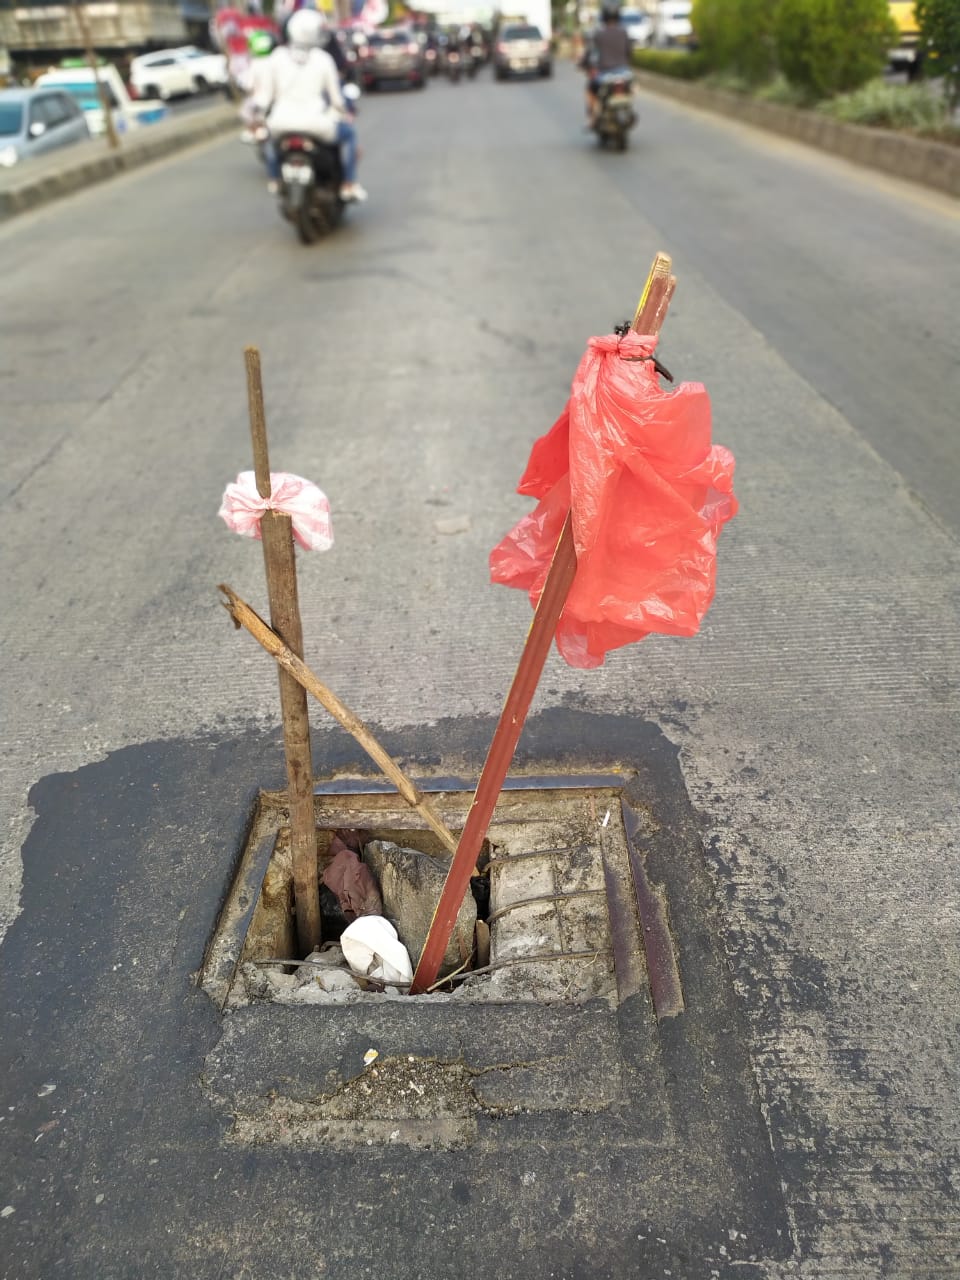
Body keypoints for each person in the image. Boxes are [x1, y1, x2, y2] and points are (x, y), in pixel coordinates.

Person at [254, 7, 366, 202]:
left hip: (280, 123)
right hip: (318, 124)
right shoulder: (322, 59)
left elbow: (264, 98)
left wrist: (259, 117)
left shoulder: (276, 57)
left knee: (269, 139)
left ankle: (274, 180)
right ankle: (349, 184)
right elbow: (337, 100)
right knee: (349, 135)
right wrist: (343, 111)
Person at [582, 2, 632, 124]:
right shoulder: (624, 32)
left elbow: (590, 54)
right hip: (624, 72)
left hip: (604, 74)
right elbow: (629, 53)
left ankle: (592, 118)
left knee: (590, 90)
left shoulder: (599, 34)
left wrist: (585, 65)